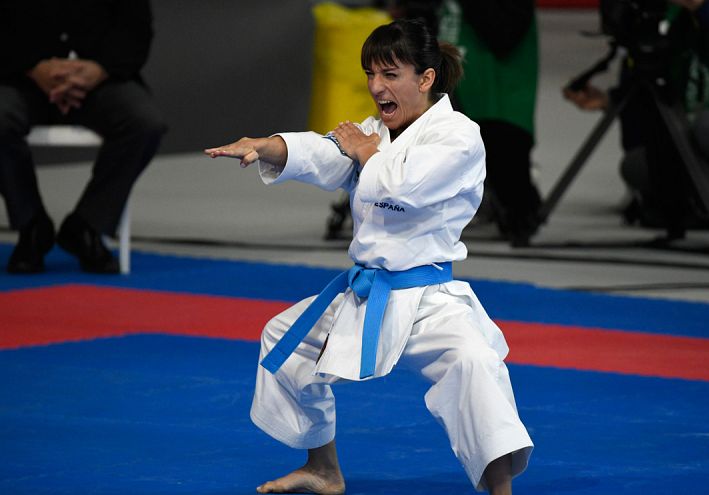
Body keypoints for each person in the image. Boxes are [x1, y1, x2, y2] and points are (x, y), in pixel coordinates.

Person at [205, 19, 533, 495]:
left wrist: (364, 153)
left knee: (475, 365)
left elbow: (405, 188)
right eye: (370, 74)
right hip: (366, 293)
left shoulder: (458, 136)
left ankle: (501, 491)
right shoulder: (375, 132)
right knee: (284, 341)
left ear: (426, 78)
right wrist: (266, 145)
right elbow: (323, 152)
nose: (377, 87)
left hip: (428, 299)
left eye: (390, 74)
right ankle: (323, 468)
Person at [564, 0, 709, 253]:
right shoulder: (679, 20)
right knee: (640, 165)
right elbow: (665, 88)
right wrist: (610, 100)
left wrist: (702, 7)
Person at [0, 0, 167, 274]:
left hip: (101, 81)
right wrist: (34, 67)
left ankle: (87, 225)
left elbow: (136, 28)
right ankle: (31, 226)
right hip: (23, 78)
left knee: (145, 123)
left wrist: (98, 70)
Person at [438, 0, 542, 247]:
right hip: (463, 77)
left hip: (497, 86)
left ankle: (515, 208)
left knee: (503, 152)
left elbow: (505, 35)